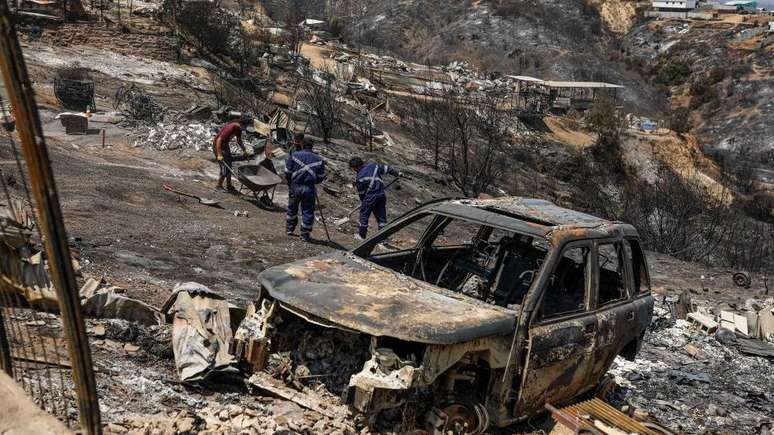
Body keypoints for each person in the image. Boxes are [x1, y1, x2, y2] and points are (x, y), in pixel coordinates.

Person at [349, 157, 401, 240]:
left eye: (354, 168)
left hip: (370, 197)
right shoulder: (374, 166)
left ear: (357, 167)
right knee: (381, 218)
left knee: (364, 215)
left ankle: (362, 236)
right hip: (381, 195)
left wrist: (364, 202)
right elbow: (388, 169)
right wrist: (397, 174)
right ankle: (383, 239)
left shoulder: (359, 177)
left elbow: (362, 193)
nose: (354, 170)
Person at [285, 139, 325, 241]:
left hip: (295, 186)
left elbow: (287, 172)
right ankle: (305, 234)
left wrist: (291, 183)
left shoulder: (294, 155)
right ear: (312, 146)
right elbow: (321, 177)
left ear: (302, 144)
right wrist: (312, 181)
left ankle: (290, 228)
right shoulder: (319, 159)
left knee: (292, 208)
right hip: (309, 188)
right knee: (308, 211)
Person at [213, 118, 250, 192]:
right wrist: (219, 154)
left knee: (229, 166)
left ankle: (229, 186)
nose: (245, 128)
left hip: (225, 146)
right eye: (245, 126)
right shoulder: (231, 127)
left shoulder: (238, 129)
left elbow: (239, 140)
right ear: (241, 124)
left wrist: (244, 151)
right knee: (224, 167)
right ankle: (218, 186)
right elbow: (218, 140)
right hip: (219, 147)